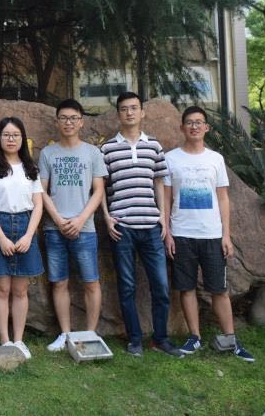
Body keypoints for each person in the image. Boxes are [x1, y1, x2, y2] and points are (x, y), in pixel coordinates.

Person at [163, 106, 254, 362]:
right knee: (186, 288)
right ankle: (194, 337)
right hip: (182, 233)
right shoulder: (171, 159)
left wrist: (226, 235)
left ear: (206, 128)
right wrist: (168, 233)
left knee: (219, 289)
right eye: (189, 122)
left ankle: (231, 339)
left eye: (199, 122)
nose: (194, 126)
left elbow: (223, 198)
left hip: (212, 234)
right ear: (182, 128)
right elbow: (166, 199)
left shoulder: (215, 159)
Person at [100, 92, 182, 358]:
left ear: (142, 112)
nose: (130, 113)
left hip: (151, 226)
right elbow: (100, 187)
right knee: (127, 286)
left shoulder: (154, 146)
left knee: (161, 286)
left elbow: (159, 182)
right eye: (124, 109)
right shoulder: (108, 148)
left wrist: (162, 217)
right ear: (118, 114)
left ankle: (161, 338)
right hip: (121, 227)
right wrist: (106, 216)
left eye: (134, 108)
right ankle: (134, 339)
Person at [39, 98, 106, 351]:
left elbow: (98, 191)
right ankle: (65, 334)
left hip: (84, 228)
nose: (68, 123)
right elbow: (42, 190)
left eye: (73, 118)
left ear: (81, 122)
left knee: (91, 281)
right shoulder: (48, 153)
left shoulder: (92, 153)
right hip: (54, 228)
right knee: (59, 282)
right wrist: (58, 219)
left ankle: (90, 333)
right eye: (64, 118)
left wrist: (79, 219)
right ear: (57, 122)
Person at [0, 117, 43, 360]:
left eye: (15, 135)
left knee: (20, 289)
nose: (11, 139)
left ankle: (19, 340)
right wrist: (2, 238)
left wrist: (29, 236)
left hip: (25, 226)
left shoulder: (30, 168)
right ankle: (4, 340)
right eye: (6, 135)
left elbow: (38, 205)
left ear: (22, 138)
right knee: (2, 288)